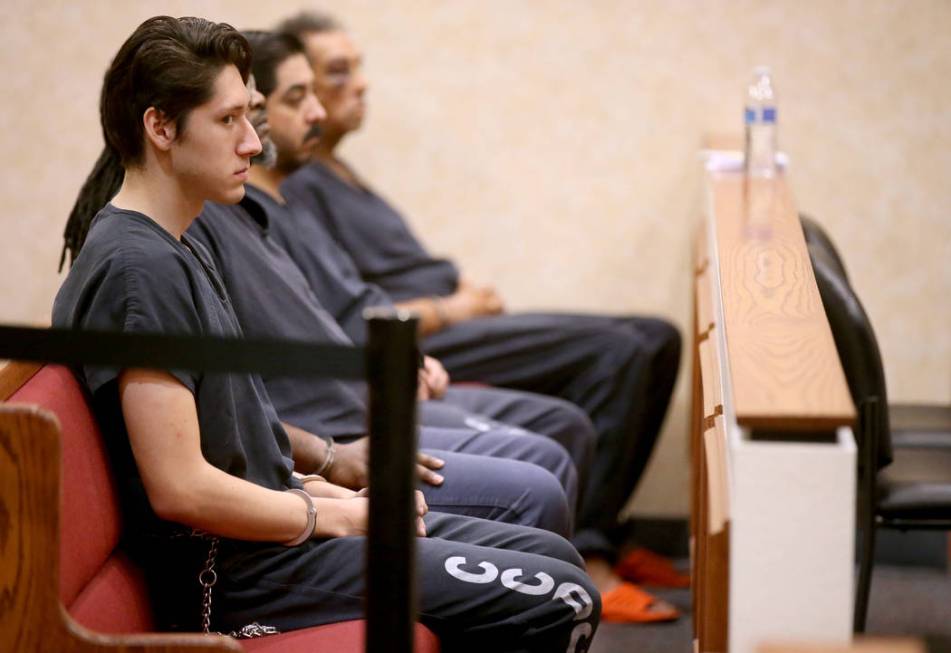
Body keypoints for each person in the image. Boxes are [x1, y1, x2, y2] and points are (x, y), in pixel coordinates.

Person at [53, 16, 599, 650]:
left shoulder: (176, 243)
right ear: (161, 127)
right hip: (240, 575)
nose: (252, 144)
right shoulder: (137, 266)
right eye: (228, 121)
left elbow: (230, 429)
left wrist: (317, 479)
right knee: (563, 599)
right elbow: (181, 487)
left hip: (276, 535)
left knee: (549, 552)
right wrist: (331, 512)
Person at [275, 11, 683, 621]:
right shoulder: (297, 187)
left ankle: (613, 541)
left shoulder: (341, 171)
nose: (358, 84)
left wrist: (456, 282)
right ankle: (590, 555)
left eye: (356, 69)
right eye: (332, 76)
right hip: (427, 334)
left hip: (440, 323)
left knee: (655, 336)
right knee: (616, 351)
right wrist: (451, 305)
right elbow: (349, 310)